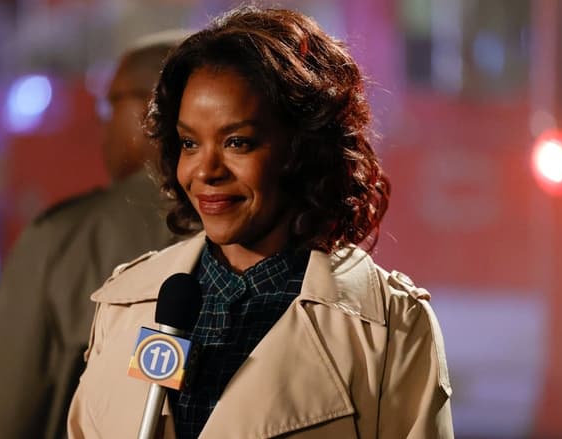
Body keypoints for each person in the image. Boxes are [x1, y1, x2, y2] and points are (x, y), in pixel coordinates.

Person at [67, 6, 454, 439]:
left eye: (237, 142)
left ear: (303, 148)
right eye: (190, 143)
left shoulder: (391, 327)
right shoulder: (126, 303)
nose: (205, 170)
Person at [0, 32, 185, 439]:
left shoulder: (59, 239)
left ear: (150, 111)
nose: (103, 125)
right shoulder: (250, 231)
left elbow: (6, 419)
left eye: (111, 105)